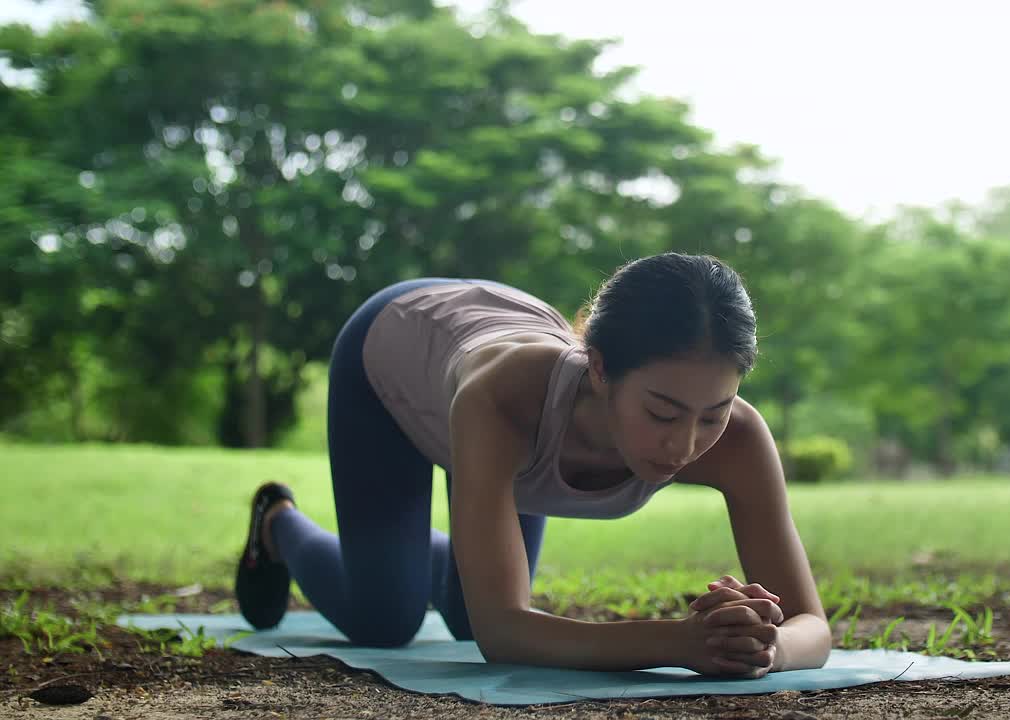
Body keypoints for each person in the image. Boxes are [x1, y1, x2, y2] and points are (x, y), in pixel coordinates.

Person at [235, 253, 830, 677]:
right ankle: (277, 523)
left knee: (468, 613)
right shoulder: (504, 399)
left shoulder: (740, 436)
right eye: (662, 412)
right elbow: (506, 634)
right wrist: (678, 643)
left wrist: (764, 646)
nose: (684, 445)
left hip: (489, 366)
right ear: (599, 370)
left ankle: (439, 542)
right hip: (394, 352)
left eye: (713, 412)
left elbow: (813, 625)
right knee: (384, 618)